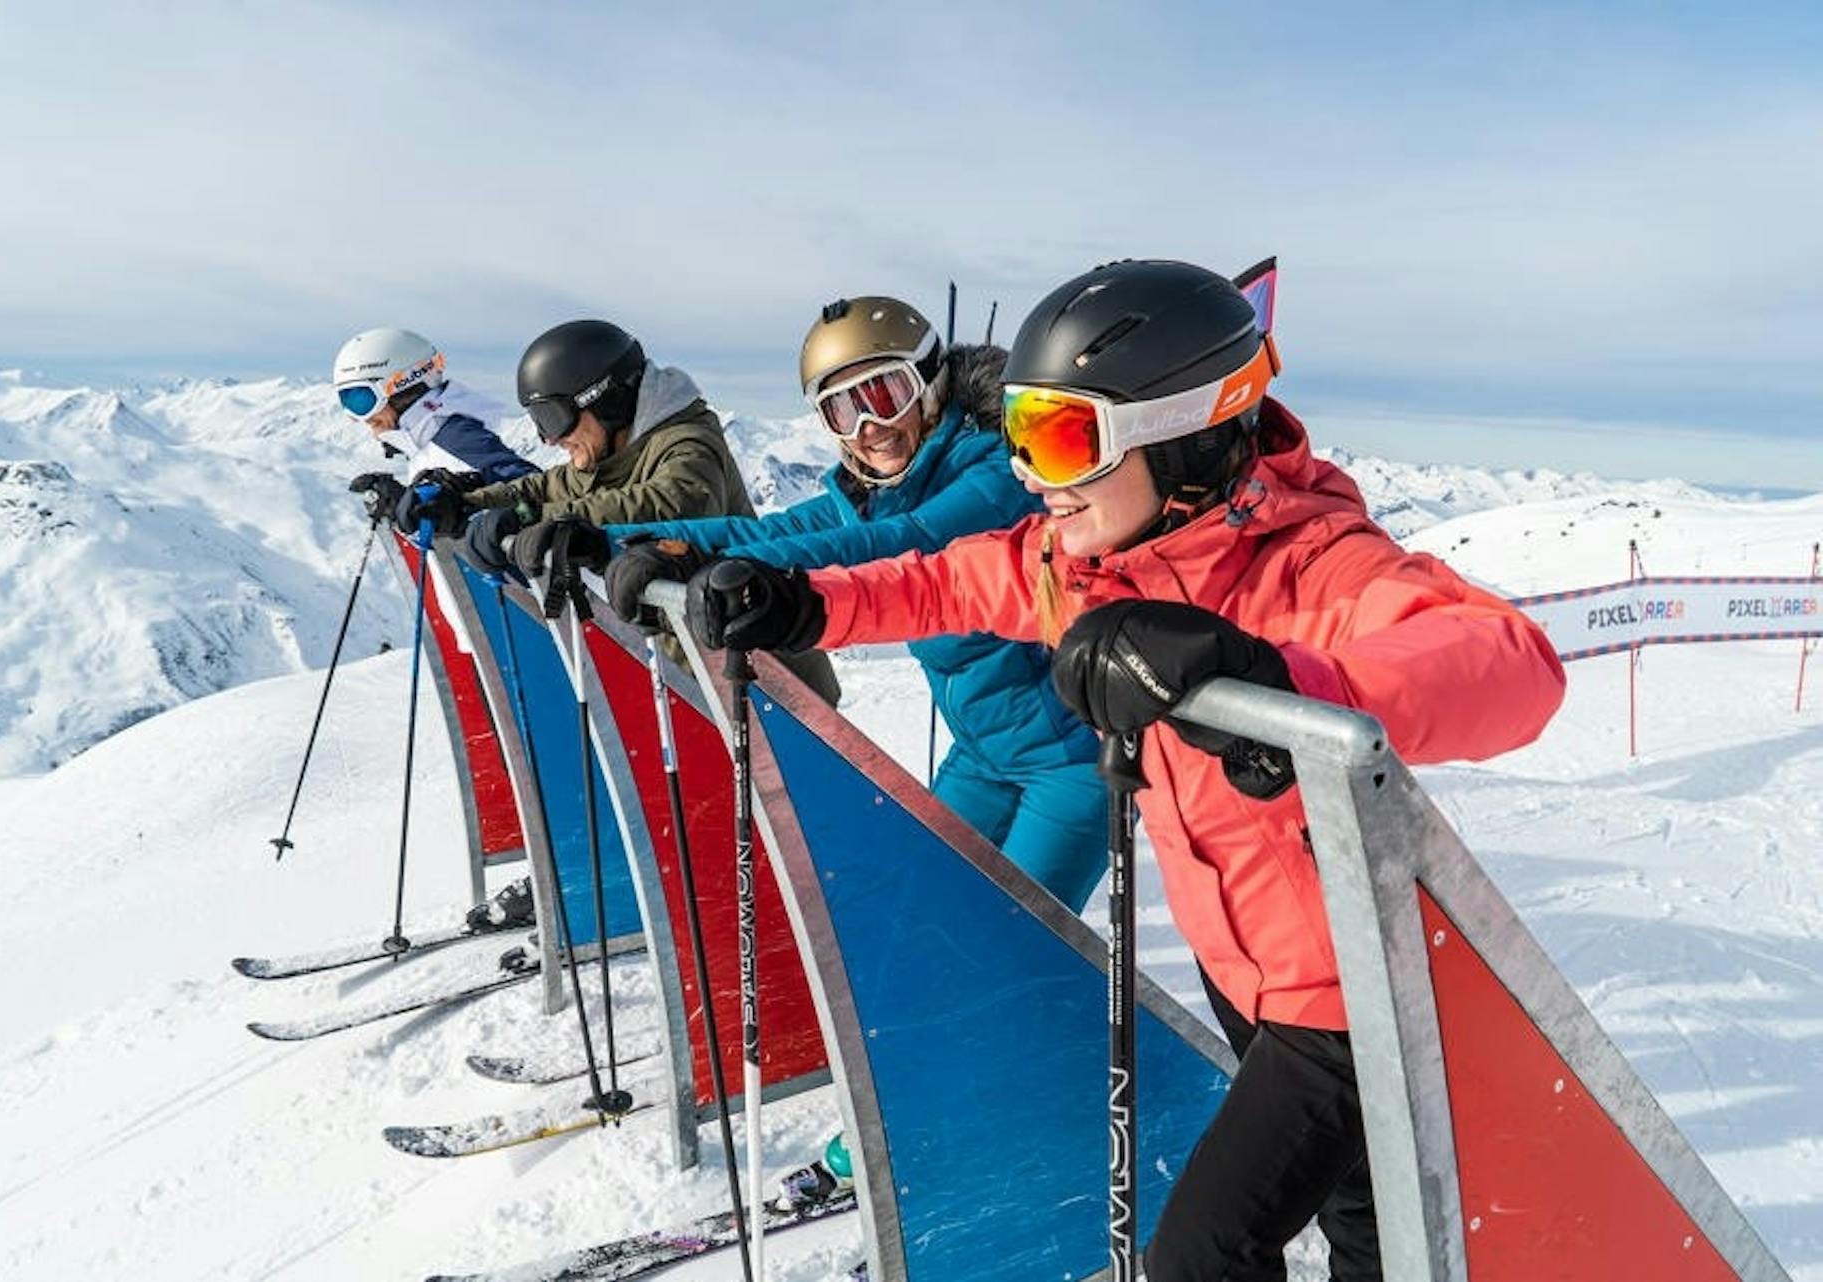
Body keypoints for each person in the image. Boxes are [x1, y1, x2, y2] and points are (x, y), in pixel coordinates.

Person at [680, 259, 1567, 1279]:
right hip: (1240, 971)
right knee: (1355, 1209)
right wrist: (805, 602)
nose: (1027, 473)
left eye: (1060, 437)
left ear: (1180, 430)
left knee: (1203, 1253)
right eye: (1019, 434)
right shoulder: (1086, 565)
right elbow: (940, 577)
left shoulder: (1313, 563)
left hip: (1344, 991)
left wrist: (1277, 678)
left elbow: (1513, 666)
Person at [604, 295, 1109, 910]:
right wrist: (635, 544)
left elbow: (901, 544)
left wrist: (752, 576)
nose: (867, 427)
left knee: (1025, 957)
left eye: (883, 395)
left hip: (1065, 766)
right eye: (841, 410)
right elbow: (772, 533)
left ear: (929, 384)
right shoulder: (875, 492)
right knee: (928, 917)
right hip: (980, 757)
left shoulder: (996, 476)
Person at [395, 318, 839, 936]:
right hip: (697, 676)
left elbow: (665, 503)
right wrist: (466, 503)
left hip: (766, 680)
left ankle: (809, 931)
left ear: (601, 398)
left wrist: (536, 521)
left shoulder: (687, 443)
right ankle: (672, 907)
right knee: (713, 810)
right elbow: (545, 485)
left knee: (797, 820)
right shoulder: (614, 446)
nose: (551, 441)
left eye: (554, 421)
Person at [331, 327, 541, 934]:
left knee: (538, 746)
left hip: (518, 624)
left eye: (360, 402)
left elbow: (523, 487)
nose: (360, 421)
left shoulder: (454, 432)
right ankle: (556, 876)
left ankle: (567, 885)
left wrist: (455, 496)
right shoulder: (433, 433)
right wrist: (408, 495)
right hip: (496, 625)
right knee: (520, 748)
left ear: (400, 385)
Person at [331, 327, 537, 525]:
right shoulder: (425, 441)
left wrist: (463, 506)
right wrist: (406, 504)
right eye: (346, 399)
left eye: (361, 399)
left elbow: (536, 491)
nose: (358, 417)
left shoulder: (455, 437)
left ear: (402, 385)